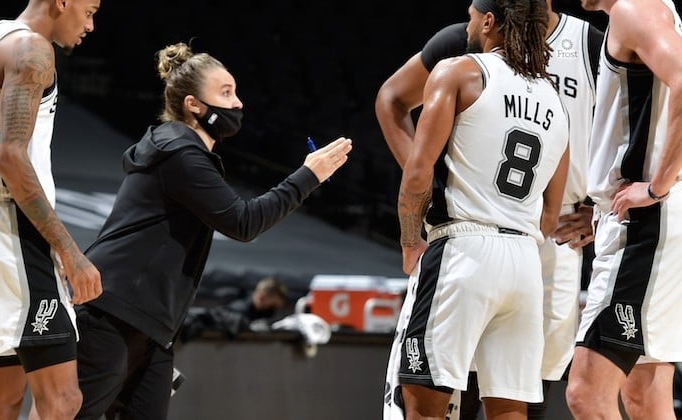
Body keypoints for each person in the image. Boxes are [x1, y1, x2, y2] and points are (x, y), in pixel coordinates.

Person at [72, 42, 352, 420]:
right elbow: (243, 222)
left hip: (151, 324)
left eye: (235, 92)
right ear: (194, 105)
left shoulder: (177, 148)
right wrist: (308, 176)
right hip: (114, 313)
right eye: (225, 93)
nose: (238, 104)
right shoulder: (180, 151)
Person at [376, 1, 602, 419]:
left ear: (489, 21)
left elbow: (418, 174)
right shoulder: (553, 99)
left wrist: (411, 239)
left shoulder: (459, 71)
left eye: (469, 16)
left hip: (463, 247)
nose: (465, 25)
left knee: (423, 403)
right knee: (511, 409)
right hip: (526, 260)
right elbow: (550, 215)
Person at [0, 1, 103, 418]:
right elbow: (10, 158)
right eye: (89, 10)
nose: (91, 24)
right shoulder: (32, 48)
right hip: (8, 224)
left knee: (1, 397)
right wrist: (70, 253)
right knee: (63, 398)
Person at [565, 0, 682, 419]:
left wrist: (658, 185)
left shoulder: (633, 8)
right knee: (645, 401)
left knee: (586, 395)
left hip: (645, 226)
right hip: (649, 223)